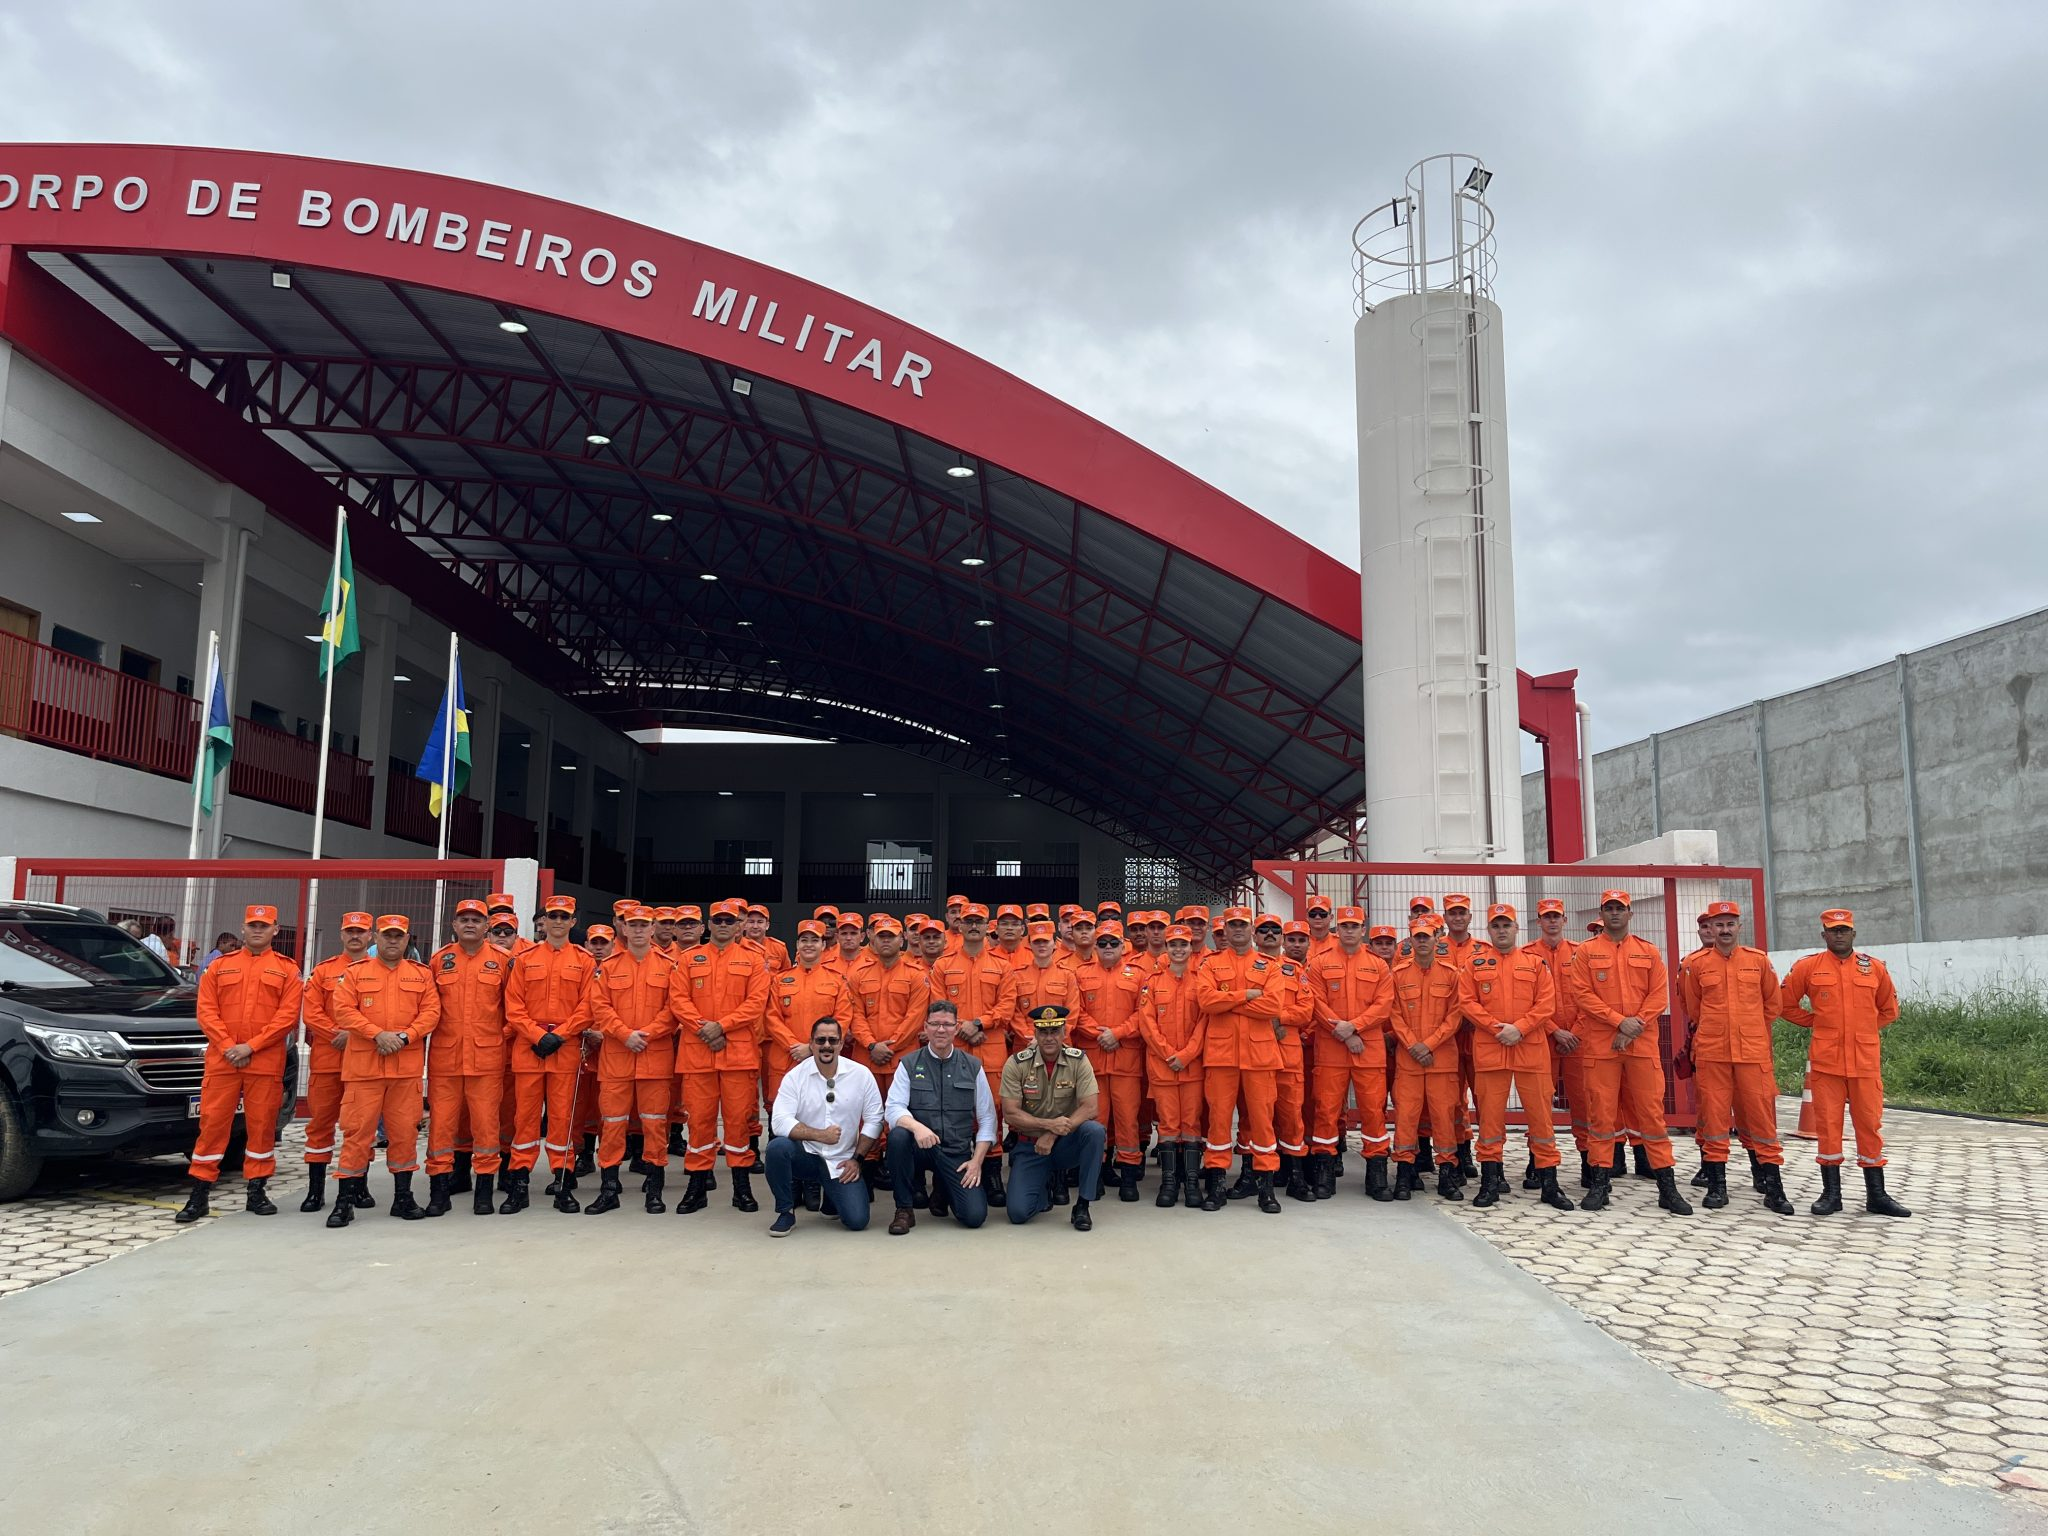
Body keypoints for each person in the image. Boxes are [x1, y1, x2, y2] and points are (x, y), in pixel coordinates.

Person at [175, 904, 304, 1224]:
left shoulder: (288, 970)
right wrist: (229, 1045)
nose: (258, 930)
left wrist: (252, 1045)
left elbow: (287, 1017)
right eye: (252, 925)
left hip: (264, 1061)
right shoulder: (219, 967)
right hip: (224, 1060)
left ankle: (257, 1192)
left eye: (265, 925)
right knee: (212, 1126)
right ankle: (199, 1195)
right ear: (243, 929)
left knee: (261, 1127)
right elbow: (206, 1011)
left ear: (276, 930)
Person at [1778, 908, 1909, 1218]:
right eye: (1833, 930)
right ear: (1823, 935)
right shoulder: (1808, 967)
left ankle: (1877, 1195)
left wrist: (1861, 1029)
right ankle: (1831, 1194)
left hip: (1864, 1063)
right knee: (1828, 1127)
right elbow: (1784, 1004)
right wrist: (1815, 1022)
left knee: (1869, 1127)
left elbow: (1889, 1010)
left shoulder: (1874, 969)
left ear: (1854, 933)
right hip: (1827, 1063)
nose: (1839, 934)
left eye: (1844, 929)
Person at [1570, 890, 1691, 1215]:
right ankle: (1599, 1185)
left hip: (1640, 1047)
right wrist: (1619, 1022)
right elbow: (1581, 994)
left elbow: (1658, 995)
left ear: (1629, 914)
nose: (1614, 914)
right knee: (1601, 1117)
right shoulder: (1586, 953)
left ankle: (1667, 1187)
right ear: (1602, 912)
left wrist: (1633, 1024)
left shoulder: (1649, 952)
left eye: (1620, 909)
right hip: (1602, 1048)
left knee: (1652, 1115)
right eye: (1608, 909)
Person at [1676, 899, 1792, 1216]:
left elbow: (1773, 1006)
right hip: (1712, 1054)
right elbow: (1692, 1007)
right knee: (1713, 1121)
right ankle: (1717, 1186)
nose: (1724, 930)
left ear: (1739, 927)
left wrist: (1748, 1028)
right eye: (1718, 924)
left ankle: (1773, 1188)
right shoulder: (1695, 965)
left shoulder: (1758, 961)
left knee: (1762, 1122)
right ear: (1710, 929)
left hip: (1752, 1055)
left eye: (1730, 924)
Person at [1459, 905, 1575, 1211]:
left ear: (1516, 928)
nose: (1501, 930)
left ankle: (1549, 1184)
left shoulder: (1534, 964)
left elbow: (1546, 1003)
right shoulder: (1475, 964)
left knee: (1542, 1120)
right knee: (1490, 1121)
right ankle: (1489, 1183)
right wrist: (1498, 1028)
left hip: (1531, 1050)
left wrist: (1519, 1029)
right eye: (1496, 926)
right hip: (1491, 1049)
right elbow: (1467, 1002)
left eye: (1506, 925)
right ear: (1489, 930)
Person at [327, 916, 440, 1225]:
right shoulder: (355, 973)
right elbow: (343, 1010)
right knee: (357, 1135)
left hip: (405, 1071)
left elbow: (432, 1012)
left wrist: (405, 1036)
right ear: (376, 937)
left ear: (407, 940)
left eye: (398, 936)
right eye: (387, 935)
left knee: (404, 1135)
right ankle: (344, 1201)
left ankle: (403, 1199)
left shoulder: (421, 975)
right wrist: (377, 1034)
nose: (392, 941)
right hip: (364, 1069)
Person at [672, 899, 772, 1214]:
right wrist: (706, 1029)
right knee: (699, 1123)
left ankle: (741, 1189)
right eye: (719, 920)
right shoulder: (689, 958)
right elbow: (678, 999)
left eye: (730, 920)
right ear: (709, 925)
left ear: (740, 924)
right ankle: (696, 1188)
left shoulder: (754, 960)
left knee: (738, 1123)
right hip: (698, 1053)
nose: (724, 925)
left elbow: (757, 1002)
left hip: (738, 1055)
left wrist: (721, 1027)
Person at [503, 895, 598, 1213]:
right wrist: (536, 1035)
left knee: (562, 1120)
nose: (558, 921)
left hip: (565, 1049)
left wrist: (558, 1035)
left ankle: (562, 1184)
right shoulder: (525, 959)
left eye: (564, 916)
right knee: (525, 1120)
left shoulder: (585, 961)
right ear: (543, 921)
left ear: (574, 922)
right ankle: (518, 1185)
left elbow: (588, 1006)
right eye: (552, 916)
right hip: (530, 1049)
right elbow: (513, 1006)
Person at [422, 898, 511, 1217]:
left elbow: (512, 1010)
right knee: (441, 1128)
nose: (470, 924)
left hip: (487, 1060)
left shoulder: (503, 960)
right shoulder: (439, 960)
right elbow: (427, 1008)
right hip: (445, 1060)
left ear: (488, 926)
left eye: (477, 919)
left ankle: (484, 1191)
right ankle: (439, 1191)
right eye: (464, 919)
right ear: (454, 925)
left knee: (487, 1128)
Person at [587, 906, 678, 1215]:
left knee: (655, 1125)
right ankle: (609, 1189)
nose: (638, 930)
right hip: (617, 1056)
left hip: (655, 1055)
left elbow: (674, 1008)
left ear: (653, 929)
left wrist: (648, 1034)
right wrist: (625, 1034)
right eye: (632, 925)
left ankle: (654, 1190)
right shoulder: (609, 966)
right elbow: (599, 1006)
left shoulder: (669, 965)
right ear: (622, 929)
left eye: (644, 925)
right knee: (612, 1125)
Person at [1193, 907, 1285, 1213]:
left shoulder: (1269, 965)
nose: (1237, 930)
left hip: (1259, 1057)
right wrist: (1247, 995)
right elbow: (1206, 1001)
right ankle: (1216, 1187)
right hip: (1221, 1057)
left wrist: (1228, 1002)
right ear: (1225, 930)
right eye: (1232, 925)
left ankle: (1266, 1190)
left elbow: (1272, 1006)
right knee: (1218, 1122)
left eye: (1243, 925)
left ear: (1252, 930)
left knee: (1262, 1123)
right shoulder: (1211, 963)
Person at [927, 903, 1018, 1205]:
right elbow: (938, 1004)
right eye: (969, 921)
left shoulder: (1002, 966)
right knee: (950, 1111)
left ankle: (991, 1173)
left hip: (989, 1047)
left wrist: (979, 1023)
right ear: (960, 926)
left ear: (987, 925)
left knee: (990, 1110)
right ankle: (946, 1179)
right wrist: (962, 1027)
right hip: (952, 1047)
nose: (974, 926)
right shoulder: (942, 965)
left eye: (979, 921)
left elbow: (1006, 1006)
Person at [1305, 905, 1395, 1200]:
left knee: (1373, 1112)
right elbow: (1315, 1002)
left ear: (1363, 930)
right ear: (1337, 929)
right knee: (1326, 1112)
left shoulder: (1378, 965)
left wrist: (1354, 1028)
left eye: (1354, 926)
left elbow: (1384, 1005)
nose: (1349, 931)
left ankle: (1377, 1176)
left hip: (1367, 1049)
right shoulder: (1319, 963)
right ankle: (1324, 1174)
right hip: (1331, 1049)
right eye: (1344, 926)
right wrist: (1343, 1033)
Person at [883, 1001, 995, 1234]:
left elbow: (987, 1120)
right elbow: (893, 1108)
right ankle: (904, 1209)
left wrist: (977, 1162)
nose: (941, 1030)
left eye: (947, 1024)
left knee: (974, 1217)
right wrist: (916, 1127)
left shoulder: (972, 1066)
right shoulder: (910, 1064)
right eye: (935, 1024)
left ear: (956, 1027)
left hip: (956, 1153)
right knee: (897, 1137)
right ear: (926, 1027)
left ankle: (943, 1189)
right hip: (921, 1147)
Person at [765, 1016, 884, 1235]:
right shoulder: (795, 1077)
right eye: (820, 1041)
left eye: (832, 1040)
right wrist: (820, 1135)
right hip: (807, 1156)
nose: (826, 1046)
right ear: (811, 1044)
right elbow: (779, 1122)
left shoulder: (861, 1075)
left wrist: (857, 1160)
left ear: (841, 1043)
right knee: (777, 1148)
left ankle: (831, 1199)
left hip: (842, 1161)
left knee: (857, 1221)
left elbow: (875, 1119)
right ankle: (785, 1211)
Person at [297, 911, 376, 1214]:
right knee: (320, 1126)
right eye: (350, 931)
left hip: (363, 1063)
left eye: (361, 931)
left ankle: (359, 1186)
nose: (355, 936)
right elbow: (311, 1012)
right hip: (328, 1061)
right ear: (341, 935)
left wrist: (354, 1034)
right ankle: (315, 1191)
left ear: (370, 936)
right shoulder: (323, 972)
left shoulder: (379, 970)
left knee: (360, 1126)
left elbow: (383, 1013)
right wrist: (337, 1033)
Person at [1000, 1005, 1106, 1229]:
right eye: (1044, 1032)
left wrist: (1052, 1134)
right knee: (1018, 1213)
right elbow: (1010, 1112)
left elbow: (1090, 1108)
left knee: (1094, 1132)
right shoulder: (1017, 1063)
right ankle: (1044, 1186)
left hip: (1065, 1144)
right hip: (1030, 1147)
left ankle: (1083, 1206)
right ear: (1036, 1034)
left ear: (1064, 1032)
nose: (1049, 1038)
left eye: (1055, 1031)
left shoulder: (1078, 1060)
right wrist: (1048, 1125)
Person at [1388, 920, 1466, 1200]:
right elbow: (1393, 1013)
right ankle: (1405, 1174)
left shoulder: (1451, 974)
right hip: (1409, 1060)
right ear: (1411, 939)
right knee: (1406, 1118)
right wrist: (1413, 1045)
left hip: (1441, 1059)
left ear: (1437, 938)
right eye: (1417, 937)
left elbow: (1456, 1015)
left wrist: (1429, 1044)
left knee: (1444, 1118)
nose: (1422, 941)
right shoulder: (1397, 975)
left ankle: (1447, 1174)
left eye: (1427, 936)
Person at [1075, 921, 1148, 1200]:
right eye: (1102, 943)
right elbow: (1076, 1011)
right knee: (1095, 1120)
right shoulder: (1081, 974)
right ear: (1094, 946)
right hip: (1092, 1060)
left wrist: (1117, 1033)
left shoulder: (1138, 975)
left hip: (1125, 1059)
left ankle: (1129, 1175)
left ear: (1123, 946)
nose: (1107, 948)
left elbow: (1144, 1012)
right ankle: (1096, 1174)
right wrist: (1099, 1034)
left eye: (1113, 943)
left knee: (1127, 1120)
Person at [1137, 924, 1207, 1207]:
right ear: (1165, 948)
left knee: (1191, 1124)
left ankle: (1190, 1182)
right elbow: (1147, 1022)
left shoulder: (1202, 981)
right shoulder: (1152, 982)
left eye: (1184, 944)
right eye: (1173, 945)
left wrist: (1188, 1054)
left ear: (1191, 948)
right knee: (1167, 1124)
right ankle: (1168, 1182)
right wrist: (1169, 1054)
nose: (1178, 949)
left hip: (1192, 1066)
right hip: (1163, 1065)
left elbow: (1205, 1022)